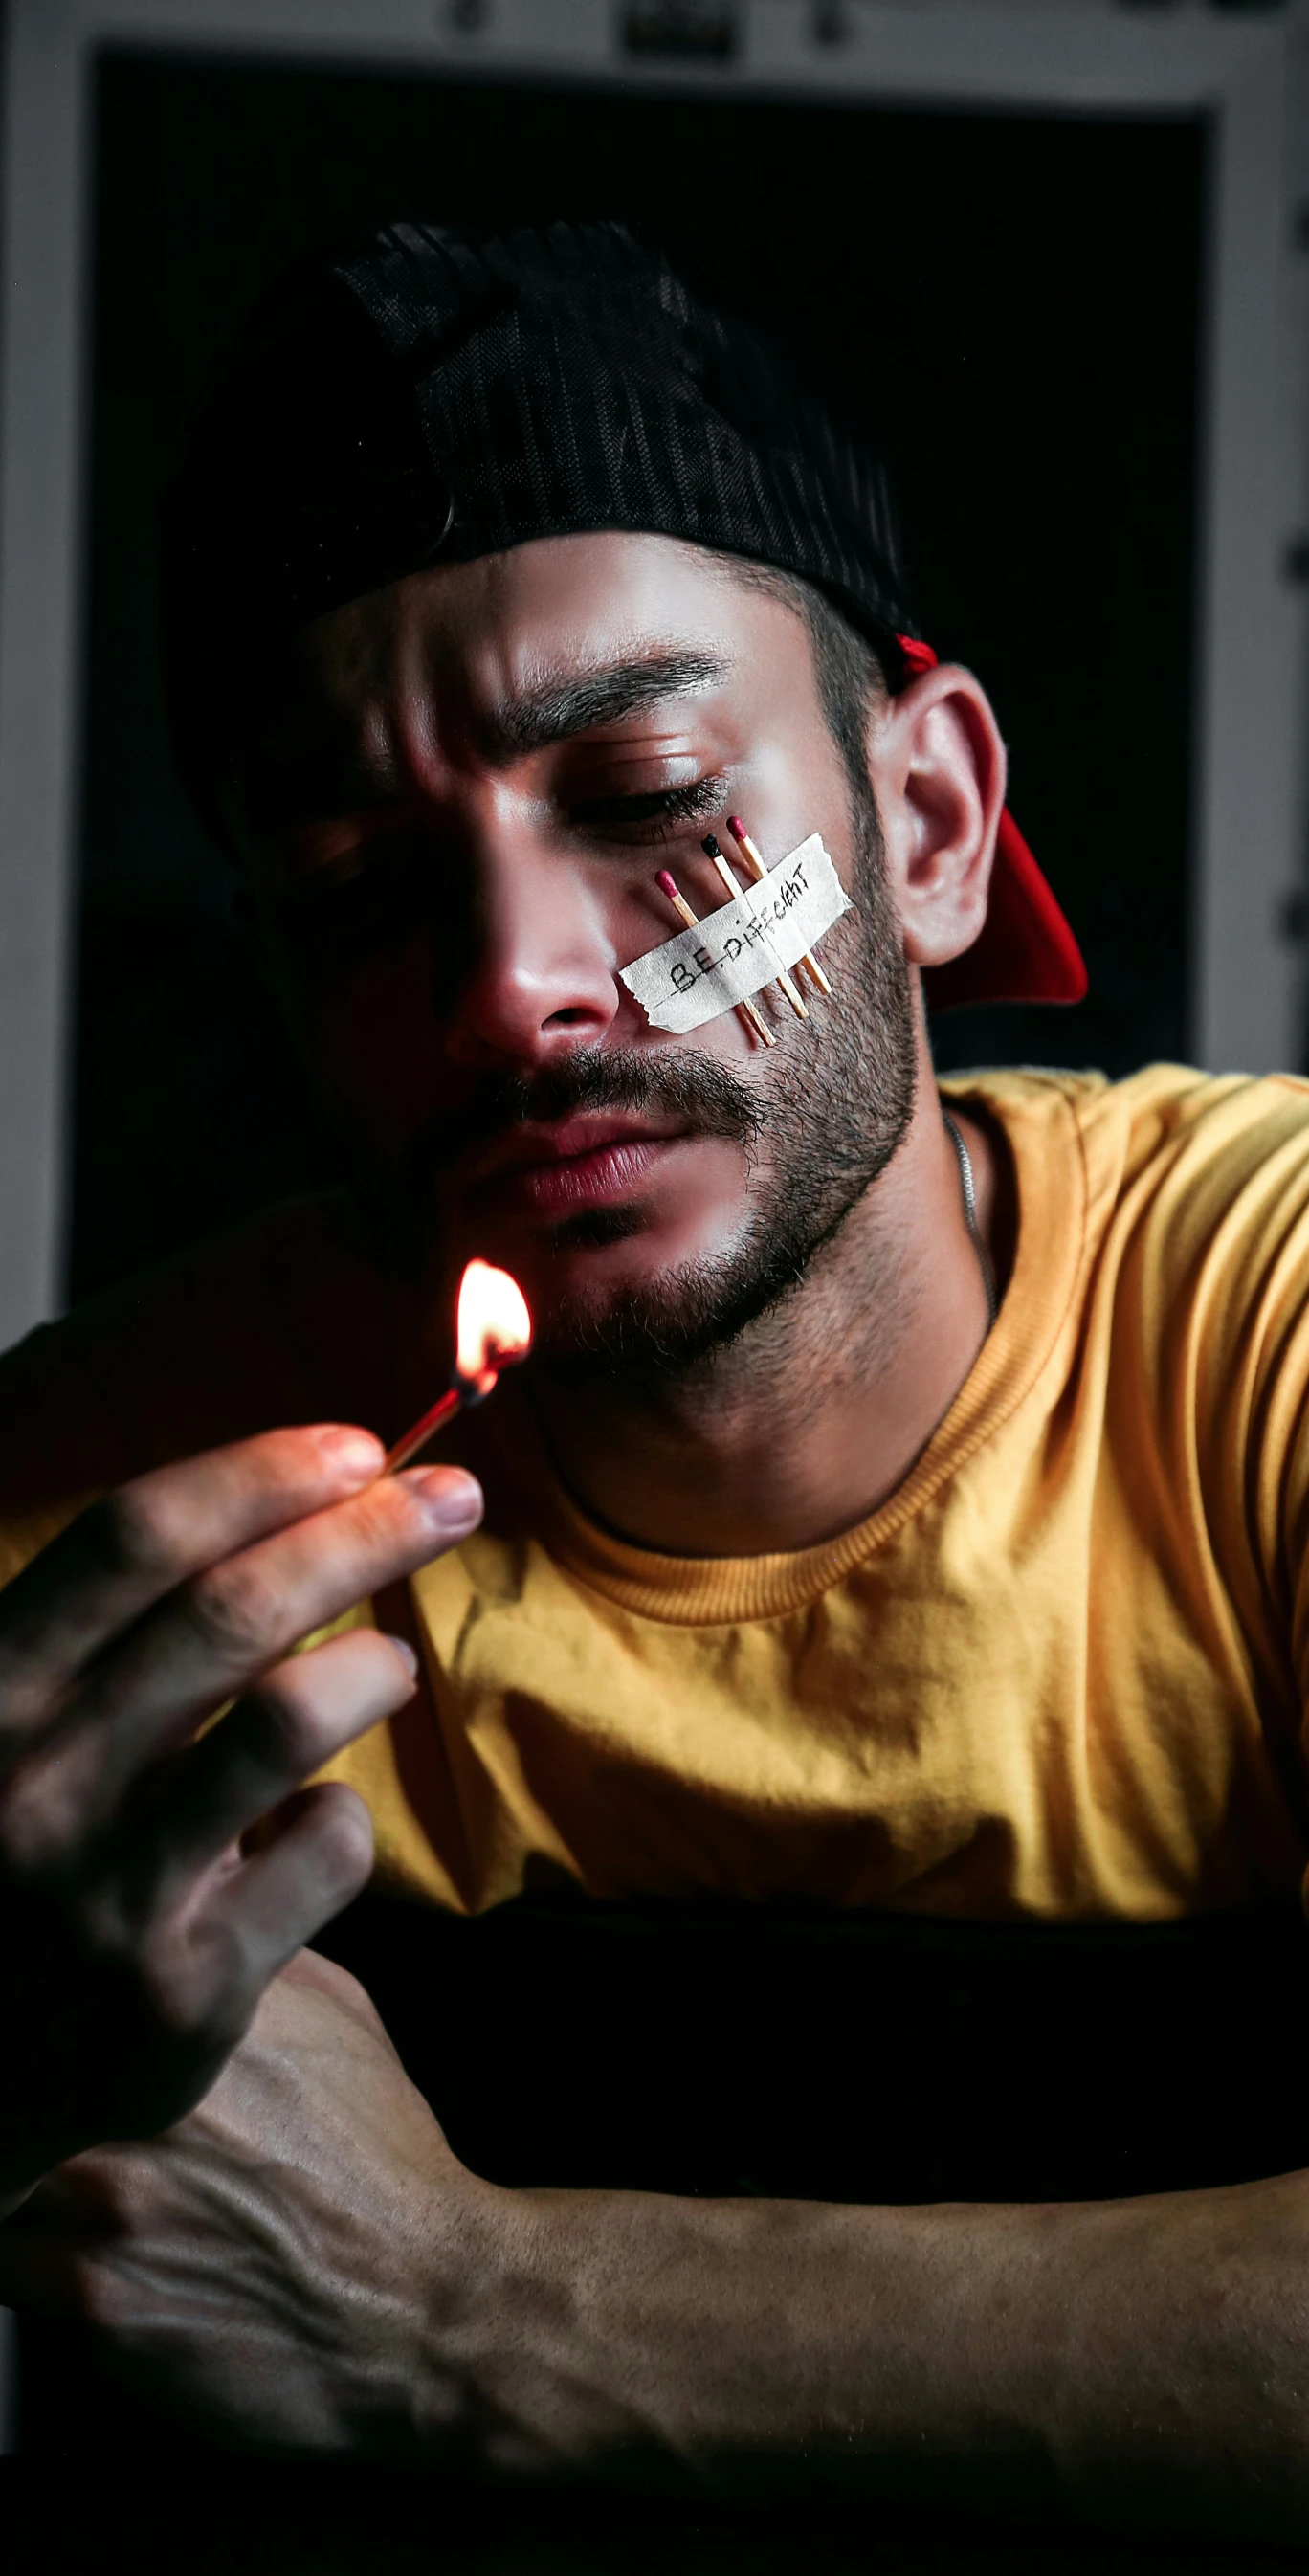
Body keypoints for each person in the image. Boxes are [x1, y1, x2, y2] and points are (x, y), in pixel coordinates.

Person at [1, 217, 1308, 2533]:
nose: (511, 992)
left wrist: (463, 2313)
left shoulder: (1256, 1315)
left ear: (925, 827)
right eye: (351, 888)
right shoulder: (112, 1505)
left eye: (638, 791)